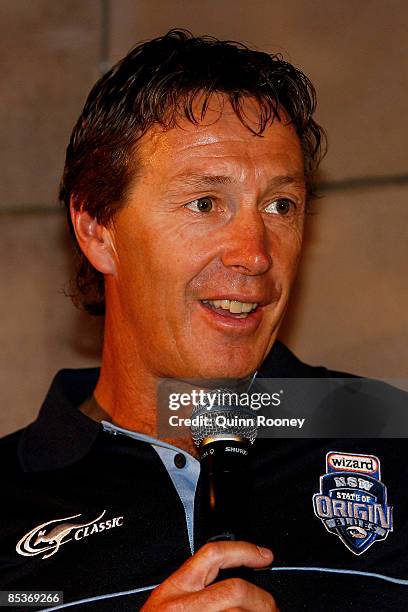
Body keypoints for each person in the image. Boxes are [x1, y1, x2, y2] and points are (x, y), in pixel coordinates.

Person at [0, 30, 407, 611]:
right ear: (97, 228)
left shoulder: (393, 434)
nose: (255, 252)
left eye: (280, 205)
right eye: (205, 204)